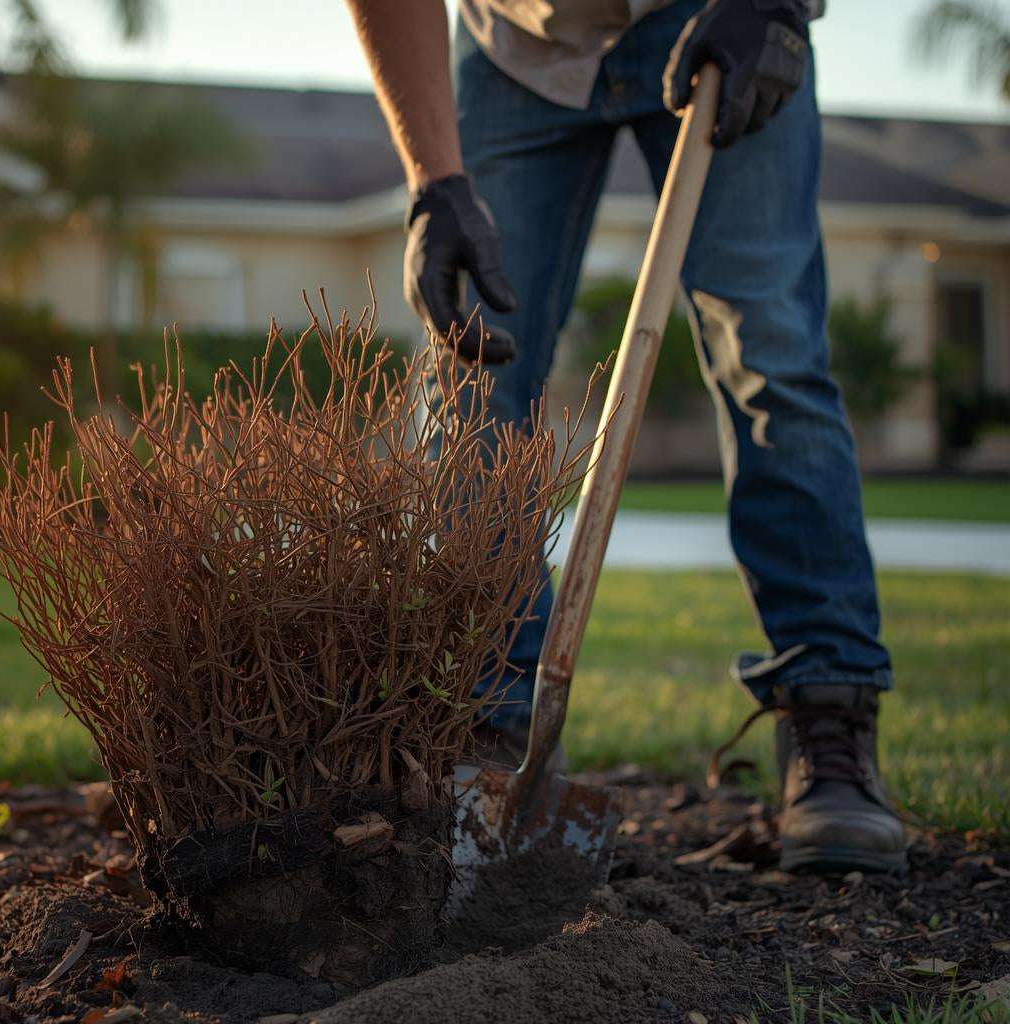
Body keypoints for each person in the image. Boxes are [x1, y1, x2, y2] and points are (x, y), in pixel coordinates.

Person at [344, 0, 907, 874]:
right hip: (516, 47)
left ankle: (829, 714)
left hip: (721, 18)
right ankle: (489, 720)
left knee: (773, 352)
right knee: (468, 370)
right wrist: (435, 184)